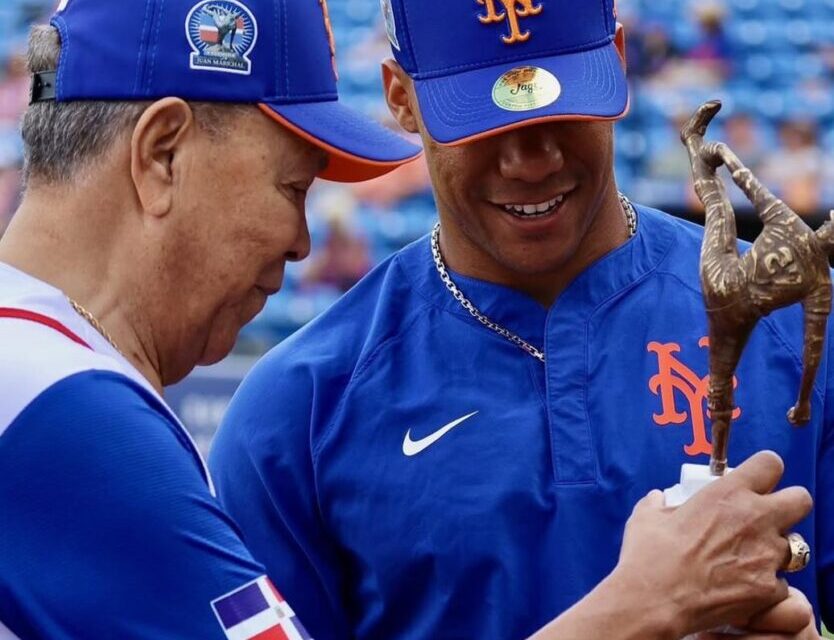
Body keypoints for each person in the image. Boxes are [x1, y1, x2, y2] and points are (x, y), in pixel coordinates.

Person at [209, 0, 833, 638]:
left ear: (616, 62)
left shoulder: (798, 322)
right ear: (401, 98)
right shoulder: (299, 411)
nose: (529, 161)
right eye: (481, 120)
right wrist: (641, 612)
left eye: (558, 110)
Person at [0, 0, 420, 637]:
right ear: (162, 154)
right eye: (293, 188)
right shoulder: (63, 402)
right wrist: (623, 609)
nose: (300, 242)